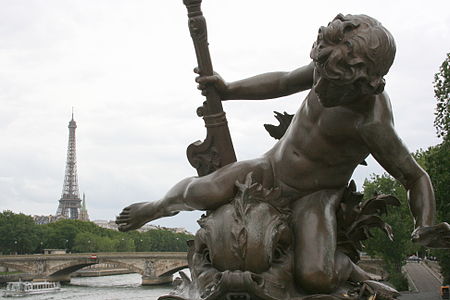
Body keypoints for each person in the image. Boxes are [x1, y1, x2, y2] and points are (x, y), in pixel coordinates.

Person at [117, 14, 450, 293]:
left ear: (366, 83)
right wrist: (229, 90)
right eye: (318, 76)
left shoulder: (372, 122)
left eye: (331, 87)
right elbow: (282, 82)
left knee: (315, 277)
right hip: (271, 168)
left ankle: (347, 267)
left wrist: (425, 225)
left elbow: (414, 176)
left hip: (314, 195)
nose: (318, 87)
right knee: (202, 191)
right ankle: (157, 206)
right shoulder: (327, 66)